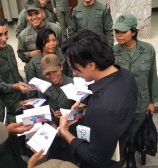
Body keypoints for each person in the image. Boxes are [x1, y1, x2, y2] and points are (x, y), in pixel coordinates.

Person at [59, 29, 138, 168]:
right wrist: (84, 100)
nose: (74, 73)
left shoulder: (103, 109)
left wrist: (65, 133)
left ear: (91, 65)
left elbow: (96, 159)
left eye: (76, 69)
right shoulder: (126, 75)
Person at [113, 14, 158, 168]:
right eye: (116, 31)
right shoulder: (114, 51)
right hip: (122, 101)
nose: (118, 35)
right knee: (124, 128)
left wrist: (153, 100)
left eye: (122, 32)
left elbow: (152, 75)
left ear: (133, 32)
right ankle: (124, 151)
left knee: (135, 129)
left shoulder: (148, 49)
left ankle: (131, 153)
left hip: (141, 101)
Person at [0, 16, 34, 119]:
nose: (4, 39)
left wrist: (24, 87)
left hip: (20, 98)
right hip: (6, 106)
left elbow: (15, 74)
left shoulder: (8, 48)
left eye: (6, 33)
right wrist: (16, 86)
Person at [38, 54, 76, 162]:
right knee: (52, 162)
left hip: (71, 133)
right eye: (47, 74)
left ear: (61, 67)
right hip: (53, 134)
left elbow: (82, 109)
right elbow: (42, 110)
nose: (52, 76)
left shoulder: (74, 84)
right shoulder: (43, 88)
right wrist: (52, 124)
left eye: (55, 71)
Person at [17, 0, 63, 77]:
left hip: (55, 71)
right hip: (35, 72)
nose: (34, 17)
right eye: (30, 15)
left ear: (42, 12)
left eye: (36, 13)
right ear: (27, 16)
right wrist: (30, 54)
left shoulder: (56, 29)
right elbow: (21, 54)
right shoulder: (23, 35)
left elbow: (64, 50)